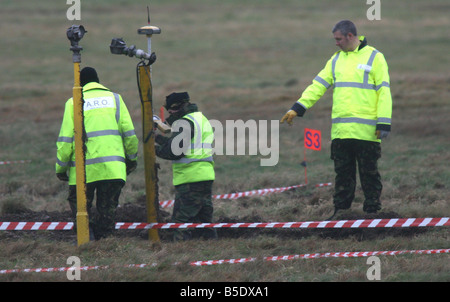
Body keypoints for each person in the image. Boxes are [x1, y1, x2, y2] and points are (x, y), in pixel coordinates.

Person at [281, 20, 392, 219]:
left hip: (367, 133)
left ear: (350, 36)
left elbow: (384, 91)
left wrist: (384, 122)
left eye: (338, 39)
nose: (336, 43)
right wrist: (297, 108)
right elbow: (317, 86)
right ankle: (341, 213)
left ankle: (373, 214)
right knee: (342, 175)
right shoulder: (335, 60)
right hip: (341, 134)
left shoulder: (375, 57)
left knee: (369, 175)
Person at [56, 67, 139, 240]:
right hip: (113, 169)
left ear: (80, 84)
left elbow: (65, 141)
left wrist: (61, 169)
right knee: (107, 211)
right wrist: (131, 160)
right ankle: (106, 242)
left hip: (83, 172)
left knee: (80, 208)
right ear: (98, 81)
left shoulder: (73, 102)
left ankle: (89, 237)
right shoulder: (116, 99)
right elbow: (130, 135)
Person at [155, 92, 217, 241]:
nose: (170, 114)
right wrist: (158, 138)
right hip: (205, 175)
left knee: (180, 222)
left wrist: (153, 149)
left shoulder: (185, 123)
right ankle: (212, 248)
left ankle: (181, 251)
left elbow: (175, 151)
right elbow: (182, 144)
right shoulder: (200, 119)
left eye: (171, 111)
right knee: (204, 220)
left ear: (177, 107)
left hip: (190, 178)